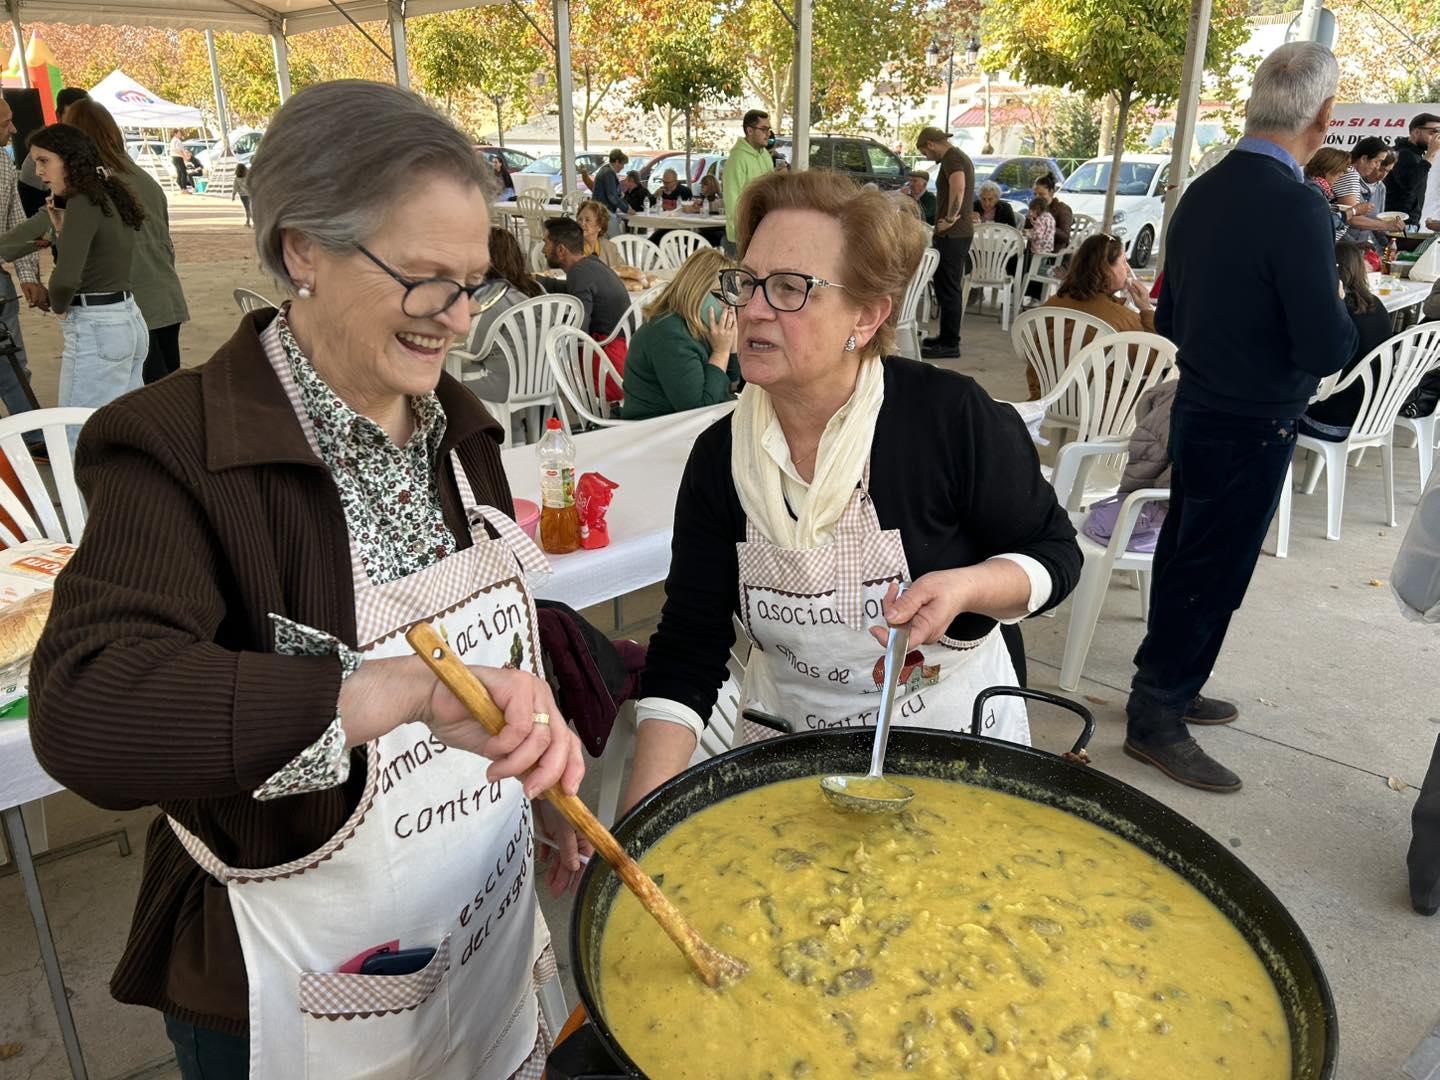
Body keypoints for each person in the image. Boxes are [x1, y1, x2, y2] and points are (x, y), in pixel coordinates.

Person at [29, 81, 589, 1080]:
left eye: (472, 283)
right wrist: (399, 690)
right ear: (303, 251)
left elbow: (501, 642)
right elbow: (88, 708)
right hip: (295, 974)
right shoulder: (174, 445)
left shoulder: (459, 428)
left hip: (484, 930)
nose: (460, 320)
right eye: (427, 280)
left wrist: (539, 769)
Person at [619, 169, 1081, 813]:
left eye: (790, 288)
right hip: (791, 754)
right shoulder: (720, 458)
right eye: (747, 282)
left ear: (865, 316)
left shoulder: (948, 417)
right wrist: (638, 823)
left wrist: (970, 586)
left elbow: (1056, 554)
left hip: (952, 751)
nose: (753, 309)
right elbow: (689, 646)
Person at [1123, 42, 1358, 793]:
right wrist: (1352, 315)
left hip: (1201, 403)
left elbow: (1172, 313)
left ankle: (1173, 682)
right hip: (1252, 416)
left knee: (1188, 555)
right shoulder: (1297, 204)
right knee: (1213, 565)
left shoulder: (1204, 189)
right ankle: (1157, 711)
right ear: (1323, 117)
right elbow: (1324, 345)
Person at [0, 124, 149, 434]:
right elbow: (14, 244)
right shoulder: (105, 192)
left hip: (97, 324)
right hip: (126, 319)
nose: (38, 171)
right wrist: (56, 232)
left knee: (77, 434)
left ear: (69, 159)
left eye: (44, 161)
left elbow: (66, 278)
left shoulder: (81, 201)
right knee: (119, 430)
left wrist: (59, 305)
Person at [65, 101, 190, 386]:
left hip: (128, 304)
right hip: (164, 296)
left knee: (146, 396)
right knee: (168, 389)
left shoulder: (91, 187)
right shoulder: (143, 178)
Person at [617, 248, 739, 420]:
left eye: (735, 298)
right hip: (656, 428)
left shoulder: (697, 325)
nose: (731, 308)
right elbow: (699, 410)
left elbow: (732, 384)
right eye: (725, 298)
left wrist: (731, 345)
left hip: (679, 423)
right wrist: (721, 353)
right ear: (700, 293)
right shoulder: (670, 334)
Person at [1299, 241, 1397, 441]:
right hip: (1374, 416)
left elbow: (1312, 362)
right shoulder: (1376, 304)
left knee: (1276, 409)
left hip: (1334, 421)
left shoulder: (1335, 310)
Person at [539, 216, 632, 395]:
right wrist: (537, 281)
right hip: (621, 354)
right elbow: (570, 289)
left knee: (541, 348)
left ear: (561, 250)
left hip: (605, 364)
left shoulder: (579, 273)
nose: (543, 250)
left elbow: (578, 329)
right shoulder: (592, 264)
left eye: (546, 243)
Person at [461, 227, 545, 405]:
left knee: (446, 380)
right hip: (543, 380)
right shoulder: (537, 289)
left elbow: (474, 349)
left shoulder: (491, 297)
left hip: (503, 384)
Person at [0, 95, 44, 418]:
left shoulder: (4, 161)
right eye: (5, 124)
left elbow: (16, 220)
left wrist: (28, 276)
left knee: (13, 363)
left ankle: (32, 435)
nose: (14, 129)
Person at [916, 126, 974, 359]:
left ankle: (950, 343)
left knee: (949, 288)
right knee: (944, 286)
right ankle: (945, 336)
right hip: (953, 234)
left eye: (925, 152)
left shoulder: (952, 158)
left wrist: (950, 219)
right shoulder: (955, 157)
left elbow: (958, 186)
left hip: (954, 234)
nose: (927, 157)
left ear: (931, 144)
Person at [20, 87, 88, 212]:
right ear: (58, 116)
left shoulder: (92, 148)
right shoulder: (40, 154)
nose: (80, 125)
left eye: (85, 118)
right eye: (73, 118)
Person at [722, 110, 775, 256]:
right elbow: (733, 202)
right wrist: (744, 233)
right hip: (742, 236)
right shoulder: (737, 159)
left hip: (763, 231)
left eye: (769, 129)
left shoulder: (765, 155)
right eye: (763, 129)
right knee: (741, 271)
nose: (768, 134)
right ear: (750, 131)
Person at [1334, 136, 1397, 248]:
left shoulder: (1349, 172)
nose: (1377, 167)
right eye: (1377, 162)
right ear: (1363, 158)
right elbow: (1351, 217)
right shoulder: (1350, 174)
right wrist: (1387, 225)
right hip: (1339, 246)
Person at [1389, 112, 1440, 227]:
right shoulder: (1403, 153)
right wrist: (1430, 154)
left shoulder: (1415, 154)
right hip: (1398, 223)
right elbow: (1409, 183)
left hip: (1404, 222)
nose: (1437, 137)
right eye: (1433, 132)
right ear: (1417, 132)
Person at [1304, 146, 1357, 240]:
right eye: (1340, 171)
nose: (1342, 174)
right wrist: (1353, 211)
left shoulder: (1315, 186)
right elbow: (1324, 222)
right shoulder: (1313, 190)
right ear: (1328, 169)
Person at [576, 200, 623, 268]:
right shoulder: (571, 248)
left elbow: (622, 270)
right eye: (580, 219)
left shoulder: (610, 248)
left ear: (599, 226)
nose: (582, 223)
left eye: (587, 220)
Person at [590, 149, 629, 229]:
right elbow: (612, 196)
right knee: (616, 235)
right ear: (617, 161)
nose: (623, 167)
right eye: (622, 164)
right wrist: (626, 209)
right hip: (604, 211)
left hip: (599, 209)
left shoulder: (604, 169)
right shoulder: (609, 173)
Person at [1035, 173, 1072, 251]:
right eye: (1035, 194)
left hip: (1055, 252)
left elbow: (1065, 237)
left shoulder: (1063, 209)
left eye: (1041, 194)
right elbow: (1026, 227)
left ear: (1051, 192)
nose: (1037, 198)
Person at [234, 162, 252, 226]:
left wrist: (233, 195)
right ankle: (249, 221)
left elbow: (235, 187)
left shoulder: (236, 179)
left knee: (247, 209)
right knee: (250, 208)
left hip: (243, 196)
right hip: (250, 194)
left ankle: (249, 221)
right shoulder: (248, 177)